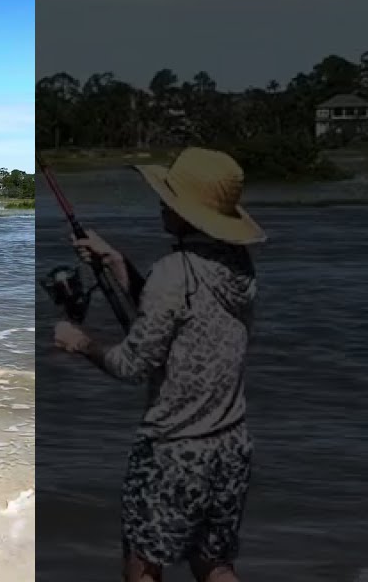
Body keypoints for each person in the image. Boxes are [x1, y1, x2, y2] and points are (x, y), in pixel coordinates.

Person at [53, 147, 265, 582]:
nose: (161, 203)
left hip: (172, 448)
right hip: (231, 446)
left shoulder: (173, 272)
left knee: (144, 566)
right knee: (215, 567)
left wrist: (81, 343)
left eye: (169, 198)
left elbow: (132, 365)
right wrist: (117, 262)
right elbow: (182, 320)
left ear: (186, 211)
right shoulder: (240, 268)